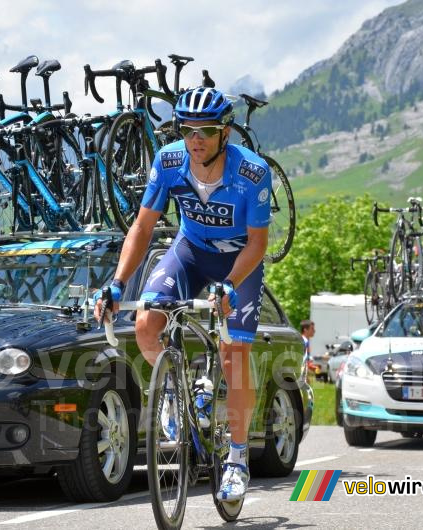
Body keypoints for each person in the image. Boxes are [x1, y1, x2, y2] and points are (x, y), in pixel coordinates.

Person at [94, 87, 271, 502]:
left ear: (225, 133)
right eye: (187, 130)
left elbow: (258, 243)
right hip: (190, 251)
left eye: (205, 130)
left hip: (238, 260)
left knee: (234, 354)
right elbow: (142, 227)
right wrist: (118, 282)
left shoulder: (252, 173)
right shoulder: (169, 160)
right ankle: (176, 390)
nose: (195, 139)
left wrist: (230, 284)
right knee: (145, 324)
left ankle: (237, 459)